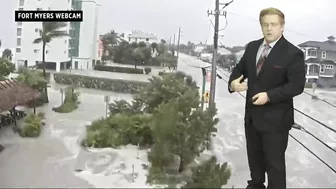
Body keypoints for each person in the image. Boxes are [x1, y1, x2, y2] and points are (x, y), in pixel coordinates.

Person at [228, 7, 306, 189]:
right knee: (255, 168)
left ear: (282, 26)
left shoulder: (292, 53)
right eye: (265, 24)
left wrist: (269, 96)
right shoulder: (253, 47)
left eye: (273, 24)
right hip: (252, 119)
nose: (269, 28)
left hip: (276, 123)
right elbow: (238, 71)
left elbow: (297, 86)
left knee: (275, 169)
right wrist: (232, 84)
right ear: (261, 26)